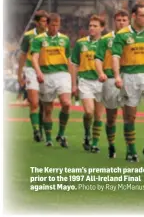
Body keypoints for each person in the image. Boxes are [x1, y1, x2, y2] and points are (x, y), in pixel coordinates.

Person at [112, 4, 144, 162]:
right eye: (142, 15)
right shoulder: (122, 35)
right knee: (130, 117)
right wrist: (117, 76)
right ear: (134, 16)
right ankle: (131, 150)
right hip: (130, 77)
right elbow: (115, 56)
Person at [31, 13, 72, 148]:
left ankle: (61, 133)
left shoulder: (65, 39)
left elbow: (69, 60)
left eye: (57, 25)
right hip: (46, 75)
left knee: (66, 103)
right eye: (52, 25)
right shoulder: (38, 39)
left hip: (62, 74)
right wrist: (38, 72)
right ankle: (48, 138)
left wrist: (73, 78)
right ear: (47, 25)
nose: (55, 28)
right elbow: (35, 58)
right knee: (48, 110)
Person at [95, 10, 130, 158]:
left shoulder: (133, 37)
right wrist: (101, 72)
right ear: (114, 22)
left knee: (129, 116)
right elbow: (98, 58)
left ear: (128, 21)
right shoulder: (105, 40)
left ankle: (131, 149)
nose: (121, 23)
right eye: (119, 20)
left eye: (124, 20)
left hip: (128, 77)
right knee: (111, 117)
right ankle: (111, 145)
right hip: (110, 80)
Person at [71, 15, 105, 153]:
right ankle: (87, 134)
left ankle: (95, 143)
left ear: (102, 28)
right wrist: (74, 84)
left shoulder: (107, 43)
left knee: (98, 115)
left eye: (95, 26)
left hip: (102, 82)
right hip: (85, 80)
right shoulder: (81, 43)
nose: (91, 28)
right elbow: (74, 64)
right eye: (90, 25)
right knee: (89, 112)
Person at [17, 10, 48, 142]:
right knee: (34, 102)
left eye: (47, 21)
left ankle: (41, 129)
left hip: (47, 70)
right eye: (43, 21)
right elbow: (23, 55)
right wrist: (19, 73)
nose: (45, 23)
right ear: (36, 22)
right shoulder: (29, 36)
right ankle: (36, 130)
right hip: (31, 70)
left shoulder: (51, 36)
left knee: (44, 104)